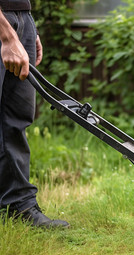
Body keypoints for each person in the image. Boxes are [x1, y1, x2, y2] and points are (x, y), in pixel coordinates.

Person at [0, 0, 69, 228]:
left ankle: (19, 205)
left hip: (19, 16)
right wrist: (7, 35)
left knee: (16, 120)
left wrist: (26, 23)